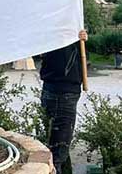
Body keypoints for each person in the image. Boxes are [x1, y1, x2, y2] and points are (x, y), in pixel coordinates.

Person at [40, 29, 88, 174]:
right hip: (61, 93)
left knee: (58, 148)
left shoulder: (66, 33)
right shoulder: (57, 33)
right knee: (57, 153)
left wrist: (82, 40)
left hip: (61, 91)